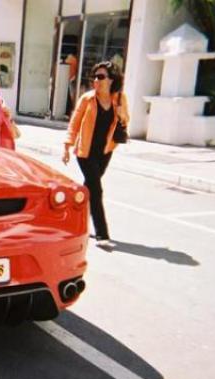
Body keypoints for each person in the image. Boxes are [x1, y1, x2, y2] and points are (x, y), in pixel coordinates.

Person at [62, 60, 129, 247]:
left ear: (111, 79)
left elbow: (126, 121)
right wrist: (67, 146)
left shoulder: (119, 99)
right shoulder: (87, 99)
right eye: (95, 77)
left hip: (105, 151)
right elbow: (74, 123)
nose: (96, 80)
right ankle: (102, 234)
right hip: (85, 152)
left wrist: (122, 112)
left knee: (88, 190)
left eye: (101, 77)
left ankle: (69, 219)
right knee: (97, 190)